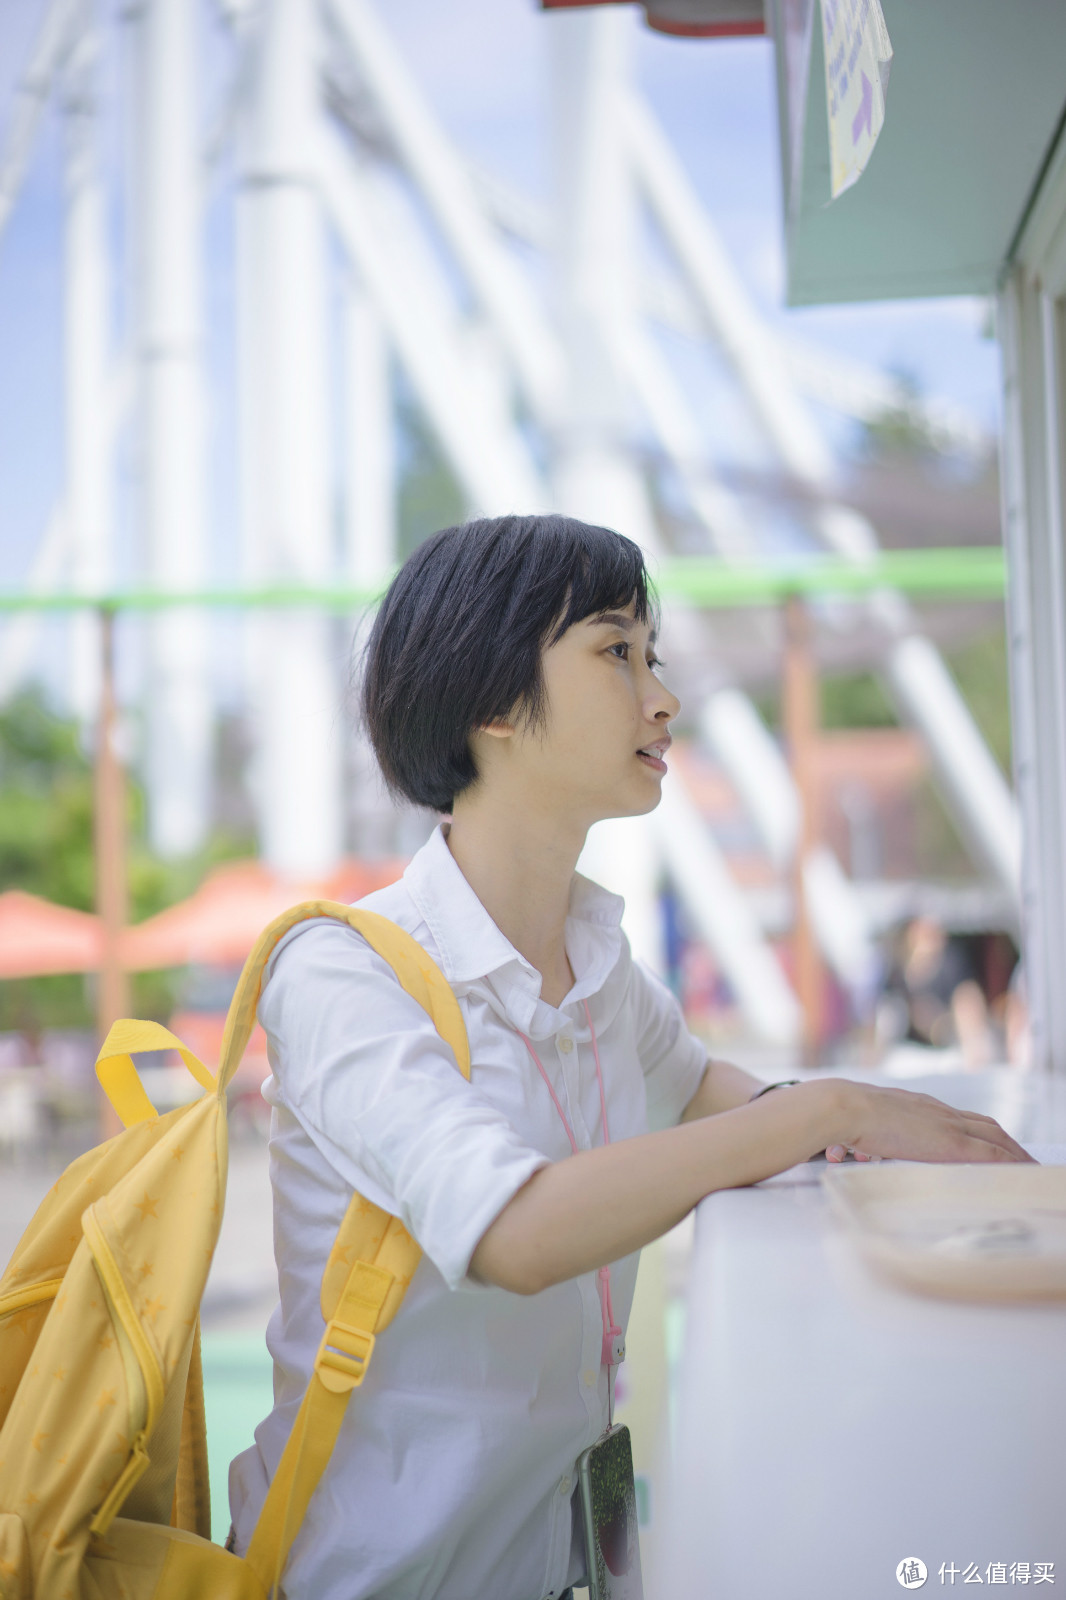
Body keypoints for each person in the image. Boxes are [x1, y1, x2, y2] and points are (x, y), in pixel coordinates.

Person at [227, 514, 1033, 1600]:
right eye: (616, 652)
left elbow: (727, 1104)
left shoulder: (601, 968)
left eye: (653, 656)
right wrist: (826, 1105)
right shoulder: (340, 974)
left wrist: (884, 1124)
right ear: (491, 702)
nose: (662, 698)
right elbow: (516, 1228)